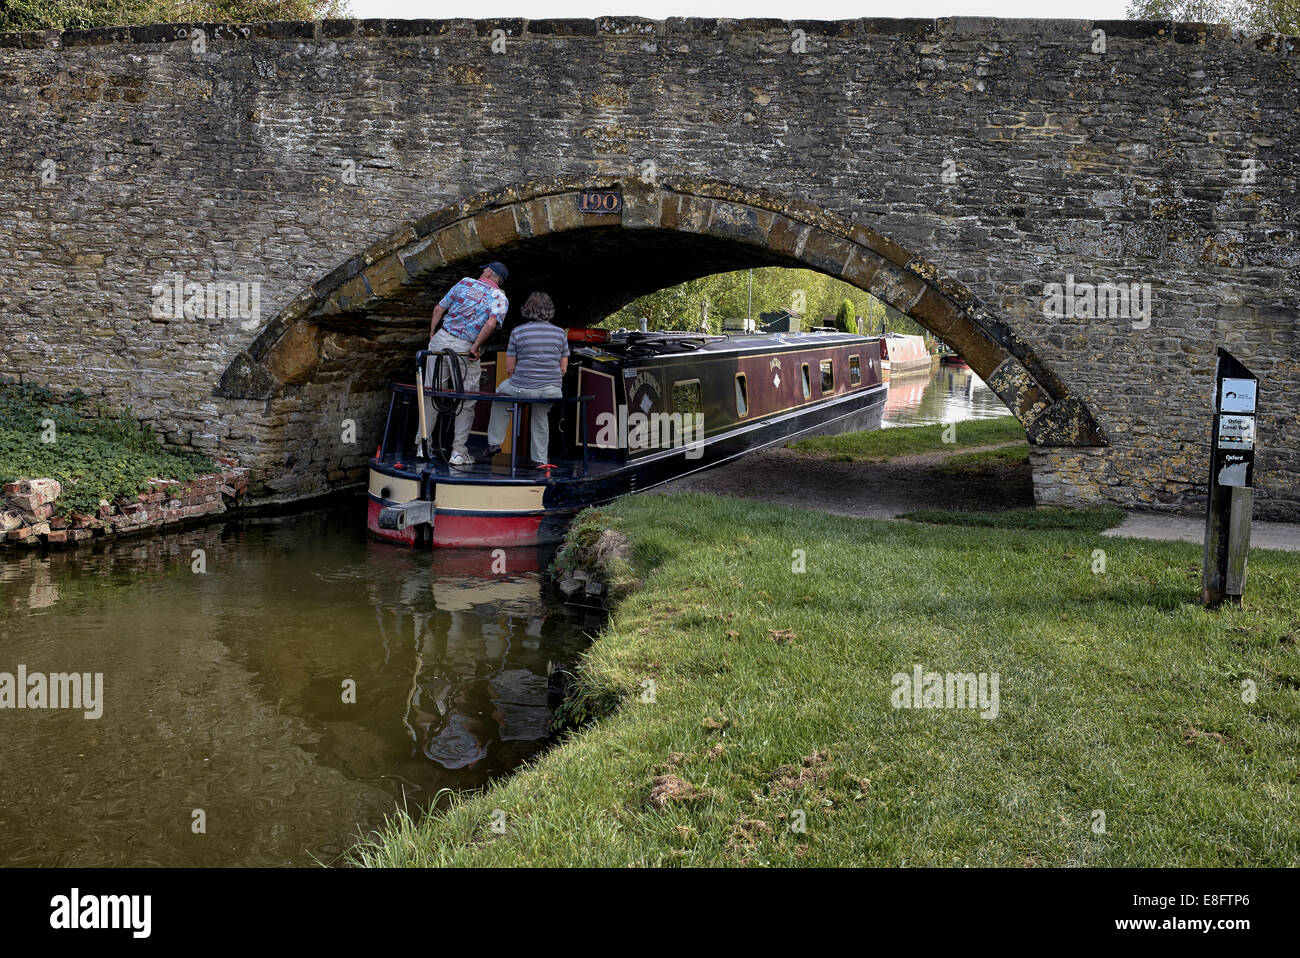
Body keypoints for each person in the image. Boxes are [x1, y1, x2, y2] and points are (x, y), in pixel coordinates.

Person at [426, 262, 509, 465]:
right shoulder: (500, 297)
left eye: (484, 269)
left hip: (441, 340)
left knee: (430, 392)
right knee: (466, 399)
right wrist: (476, 347)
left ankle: (423, 446)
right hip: (465, 347)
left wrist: (432, 334)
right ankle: (458, 452)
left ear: (490, 272)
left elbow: (439, 308)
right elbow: (491, 323)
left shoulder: (464, 283)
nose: (482, 271)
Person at [480, 291, 569, 468]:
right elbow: (563, 368)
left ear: (527, 309)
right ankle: (540, 460)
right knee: (540, 415)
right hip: (551, 389)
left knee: (500, 394)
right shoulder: (560, 333)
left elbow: (510, 367)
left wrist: (523, 382)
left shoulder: (518, 332)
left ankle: (494, 442)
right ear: (549, 311)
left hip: (523, 386)